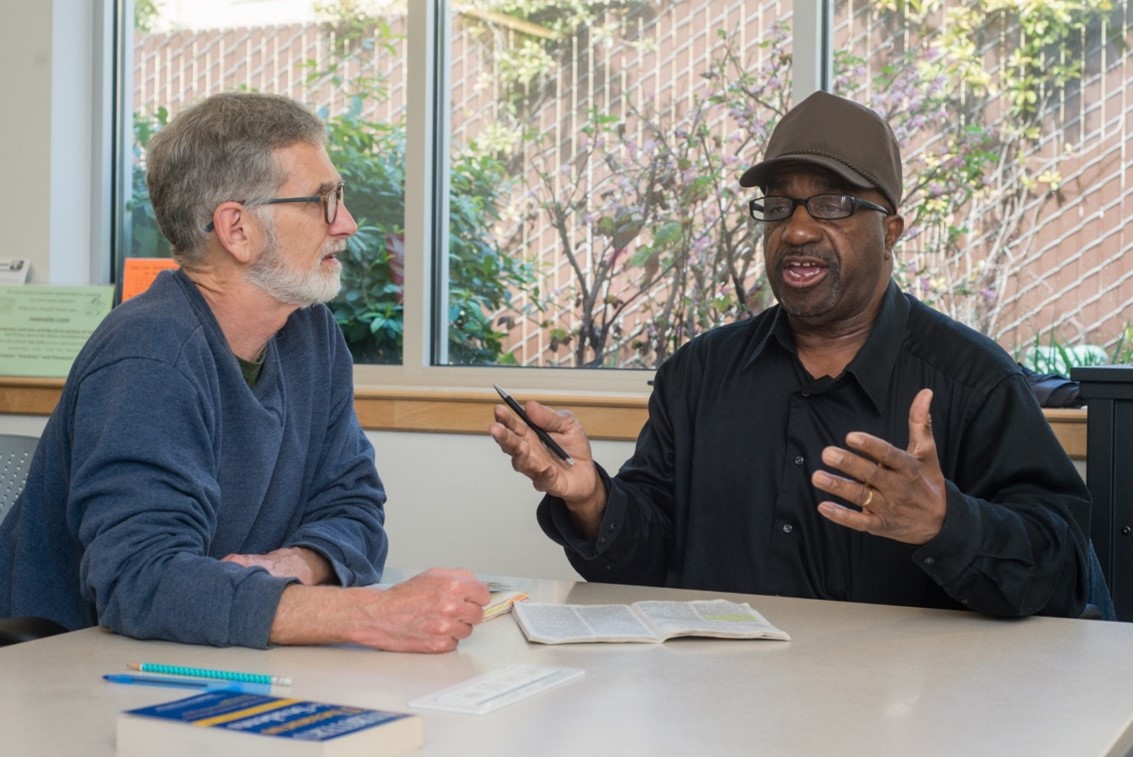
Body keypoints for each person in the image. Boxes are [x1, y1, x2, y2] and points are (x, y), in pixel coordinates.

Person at [491, 90, 1108, 618]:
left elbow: (1062, 575)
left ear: (891, 229)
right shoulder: (700, 374)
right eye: (780, 205)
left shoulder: (972, 381)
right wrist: (591, 499)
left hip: (903, 722)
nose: (799, 229)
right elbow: (649, 557)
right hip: (719, 708)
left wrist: (944, 523)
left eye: (834, 203)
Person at [0, 92, 489, 651]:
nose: (347, 224)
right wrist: (368, 614)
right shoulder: (148, 355)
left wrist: (301, 562)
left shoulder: (312, 336)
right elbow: (140, 581)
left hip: (212, 660)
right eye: (324, 200)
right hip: (70, 673)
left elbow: (354, 508)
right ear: (236, 229)